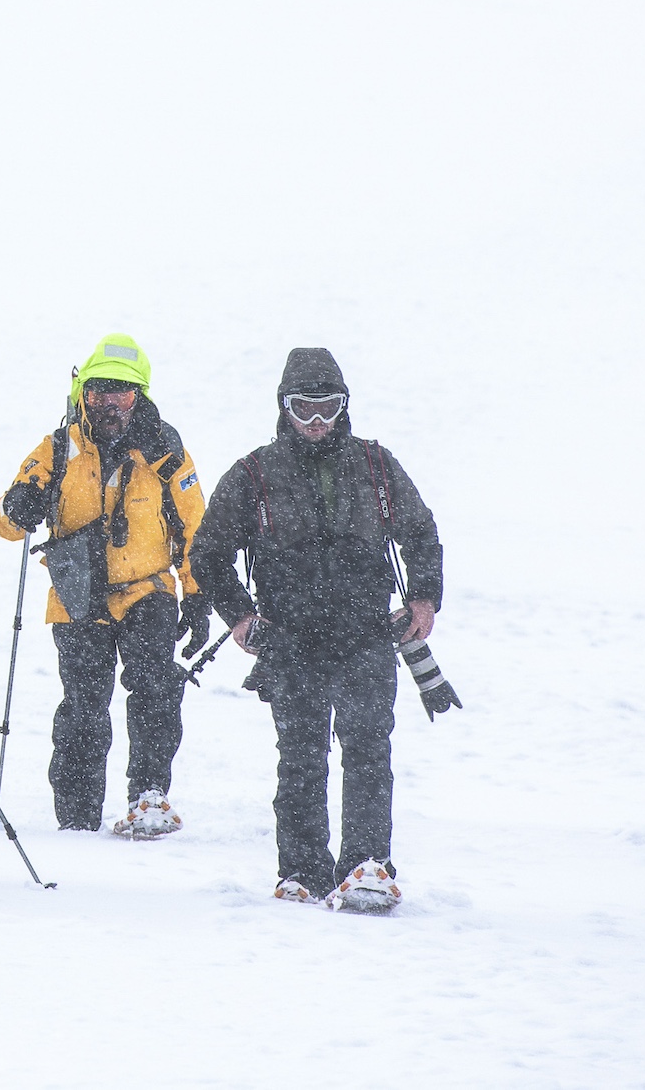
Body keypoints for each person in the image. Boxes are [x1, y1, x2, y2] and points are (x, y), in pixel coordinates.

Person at [188, 348, 444, 914]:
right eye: (303, 408)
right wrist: (239, 615)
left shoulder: (377, 466)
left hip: (367, 637)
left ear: (345, 406)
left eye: (328, 406)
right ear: (284, 409)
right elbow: (206, 553)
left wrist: (425, 597)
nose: (317, 421)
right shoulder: (255, 472)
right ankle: (301, 871)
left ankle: (367, 866)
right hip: (291, 642)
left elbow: (422, 532)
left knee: (369, 753)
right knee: (301, 757)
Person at [0, 334, 210, 838]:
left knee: (155, 688)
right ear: (81, 393)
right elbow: (2, 521)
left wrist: (197, 594)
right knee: (84, 706)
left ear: (142, 396)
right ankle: (77, 818)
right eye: (98, 392)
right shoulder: (56, 448)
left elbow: (196, 529)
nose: (109, 403)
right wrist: (17, 506)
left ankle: (149, 796)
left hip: (148, 589)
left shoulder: (167, 451)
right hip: (76, 595)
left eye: (123, 393)